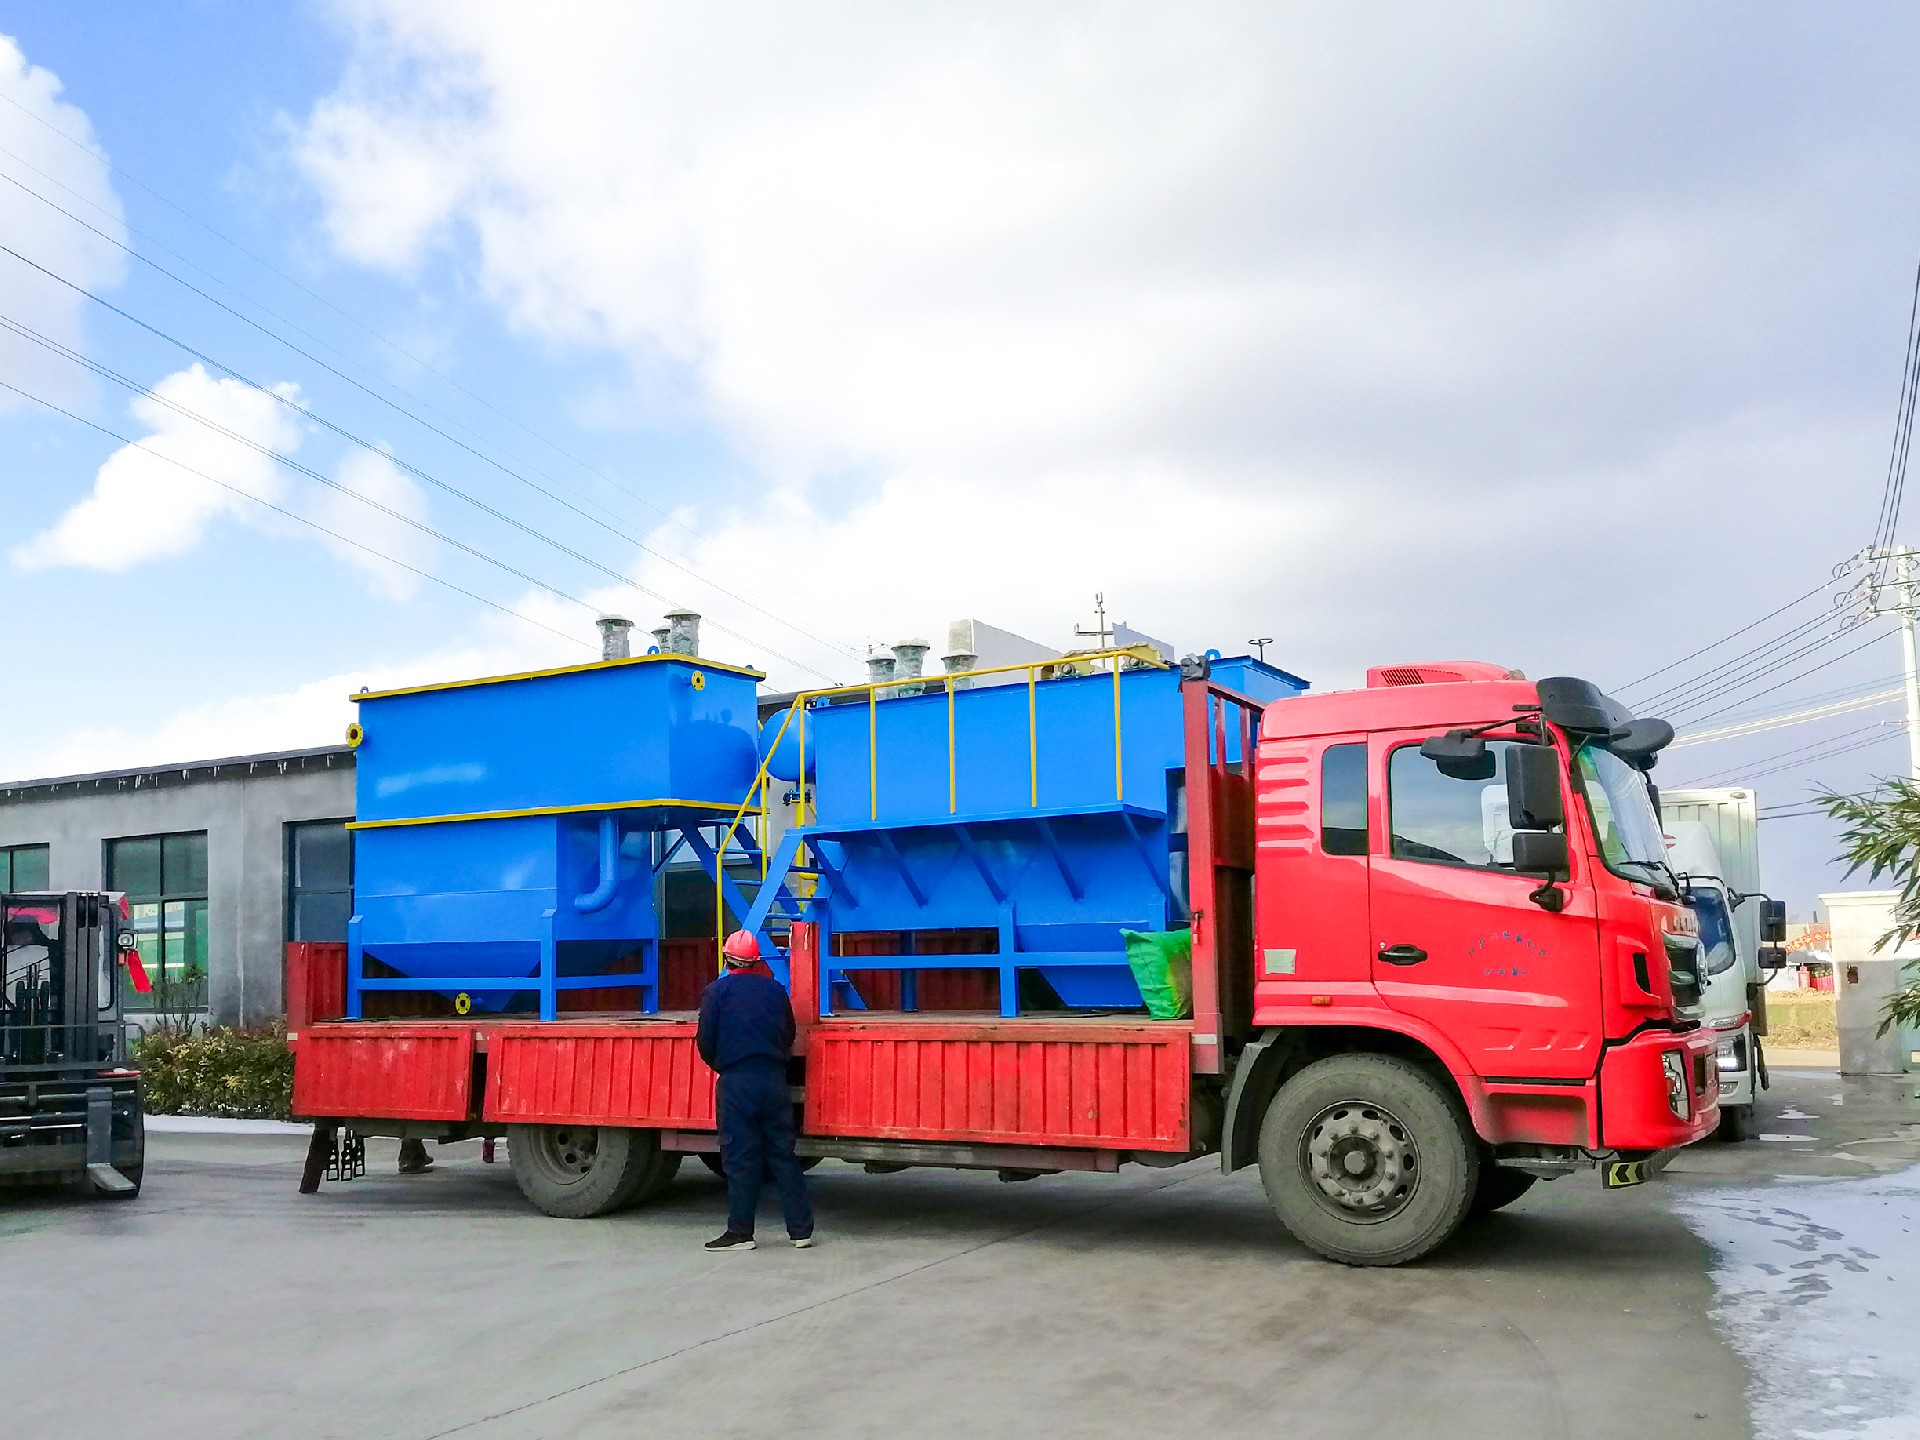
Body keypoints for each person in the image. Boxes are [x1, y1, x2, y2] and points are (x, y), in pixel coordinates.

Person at [696, 929, 813, 1251]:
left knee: (740, 1158)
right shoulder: (775, 991)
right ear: (755, 961)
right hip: (774, 1079)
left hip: (738, 1081)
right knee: (783, 1156)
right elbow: (788, 1034)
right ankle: (801, 1231)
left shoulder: (715, 993)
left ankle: (740, 1233)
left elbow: (705, 1041)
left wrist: (725, 1067)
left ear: (726, 958)